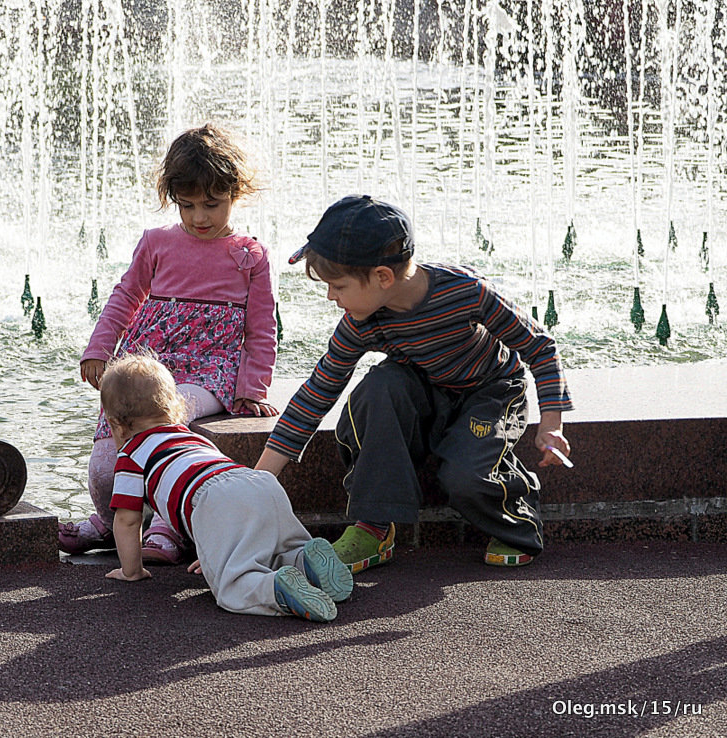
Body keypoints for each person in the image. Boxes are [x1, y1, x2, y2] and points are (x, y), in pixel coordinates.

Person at [254, 195, 574, 573]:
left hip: (490, 391)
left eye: (337, 286)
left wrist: (551, 423)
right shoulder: (362, 321)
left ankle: (515, 515)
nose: (330, 296)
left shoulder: (466, 291)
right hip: (427, 391)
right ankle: (373, 528)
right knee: (379, 386)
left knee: (463, 477)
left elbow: (539, 346)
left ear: (382, 277)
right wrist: (259, 481)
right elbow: (317, 392)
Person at [59, 123, 279, 564]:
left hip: (208, 371)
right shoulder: (157, 243)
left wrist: (252, 388)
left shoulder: (249, 255)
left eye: (212, 204)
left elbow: (261, 328)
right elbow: (124, 297)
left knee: (166, 411)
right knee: (109, 449)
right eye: (188, 205)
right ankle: (109, 518)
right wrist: (99, 350)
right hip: (150, 362)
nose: (200, 217)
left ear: (236, 194)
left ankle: (165, 527)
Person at [100, 353, 352, 622]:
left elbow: (127, 521)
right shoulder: (193, 439)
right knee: (276, 552)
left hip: (217, 500)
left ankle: (272, 589)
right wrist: (215, 548)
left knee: (232, 585)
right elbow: (220, 489)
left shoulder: (131, 456)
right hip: (259, 482)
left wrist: (132, 571)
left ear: (117, 425)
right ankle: (305, 560)